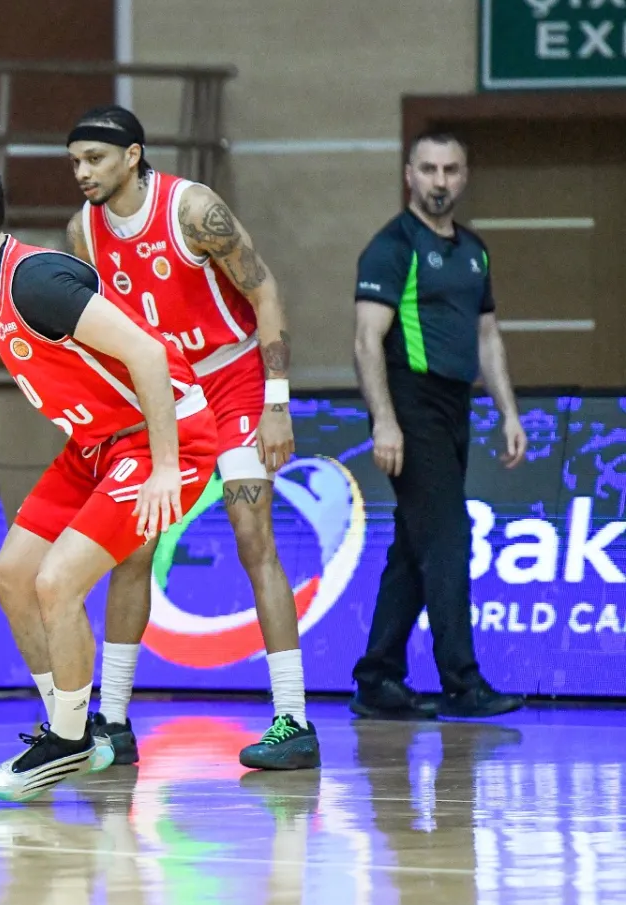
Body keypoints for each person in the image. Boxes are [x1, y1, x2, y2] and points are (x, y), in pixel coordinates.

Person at [0, 157, 219, 802]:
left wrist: (167, 466)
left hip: (161, 438)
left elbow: (148, 353)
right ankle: (69, 726)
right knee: (11, 574)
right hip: (95, 446)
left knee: (57, 582)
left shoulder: (35, 282)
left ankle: (72, 739)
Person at [63, 105, 319, 771]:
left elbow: (264, 293)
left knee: (253, 537)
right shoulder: (83, 231)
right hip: (165, 394)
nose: (83, 172)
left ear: (133, 155)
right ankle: (113, 721)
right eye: (76, 161)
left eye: (95, 158)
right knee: (134, 545)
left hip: (233, 380)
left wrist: (277, 402)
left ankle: (293, 719)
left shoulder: (194, 210)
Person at [350, 131, 526, 719]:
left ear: (464, 175)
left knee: (414, 544)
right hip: (410, 401)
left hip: (455, 405)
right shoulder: (391, 247)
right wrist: (385, 421)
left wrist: (507, 411)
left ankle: (377, 678)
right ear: (410, 175)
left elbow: (487, 336)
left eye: (450, 169)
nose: (439, 180)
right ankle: (462, 683)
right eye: (428, 169)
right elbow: (367, 341)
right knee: (448, 538)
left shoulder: (474, 251)